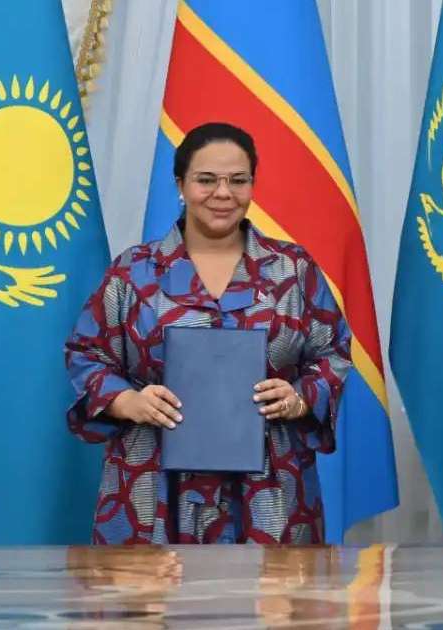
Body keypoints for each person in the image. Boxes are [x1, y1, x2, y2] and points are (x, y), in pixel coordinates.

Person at [65, 122, 351, 544]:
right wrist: (127, 401)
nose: (223, 193)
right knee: (151, 608)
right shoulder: (134, 271)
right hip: (153, 484)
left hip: (270, 489)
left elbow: (334, 353)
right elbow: (86, 352)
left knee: (273, 608)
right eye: (206, 180)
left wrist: (299, 397)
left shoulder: (293, 269)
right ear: (180, 184)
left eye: (238, 181)